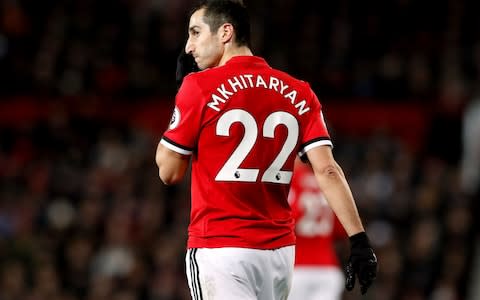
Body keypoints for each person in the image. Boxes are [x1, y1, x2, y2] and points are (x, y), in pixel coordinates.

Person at [155, 1, 377, 299]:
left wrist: (182, 96)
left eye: (195, 33)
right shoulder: (300, 91)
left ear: (225, 32)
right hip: (280, 255)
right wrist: (359, 240)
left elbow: (169, 172)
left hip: (222, 247)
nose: (188, 47)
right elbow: (326, 169)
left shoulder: (198, 87)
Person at [288, 158, 347, 300]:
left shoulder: (290, 180)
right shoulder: (328, 181)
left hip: (297, 269)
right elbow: (342, 229)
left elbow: (285, 221)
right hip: (328, 269)